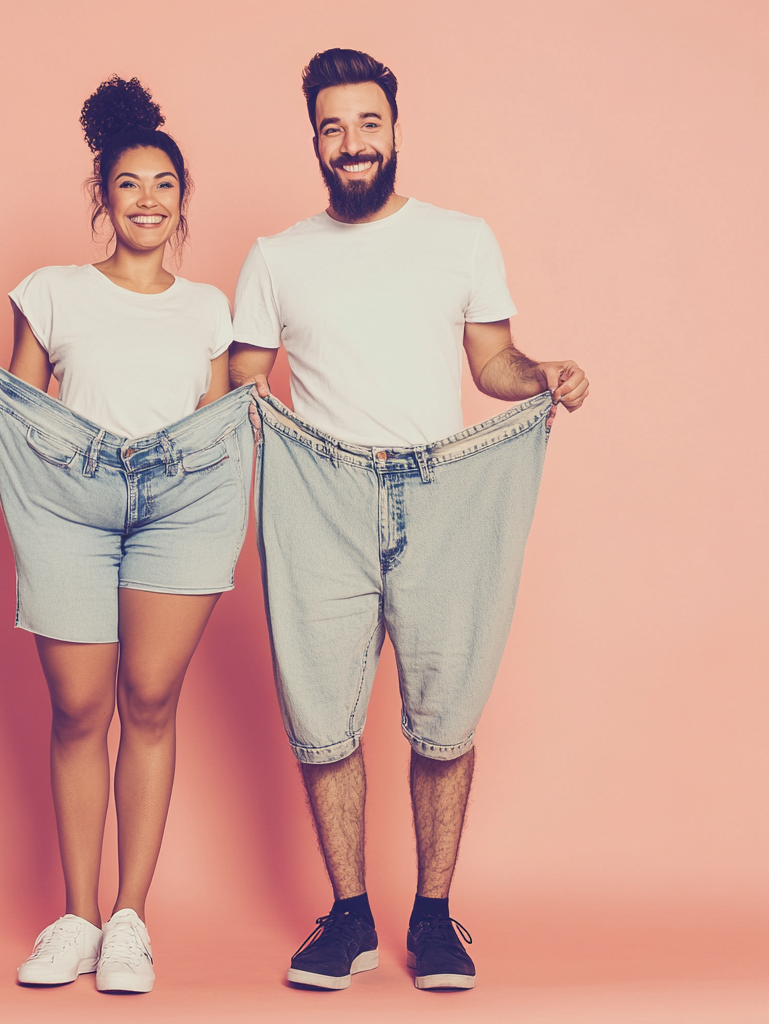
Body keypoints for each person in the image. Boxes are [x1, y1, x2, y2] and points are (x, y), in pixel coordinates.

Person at [229, 48, 590, 992]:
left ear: (395, 130)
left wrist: (543, 373)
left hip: (443, 491)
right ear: (314, 140)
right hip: (320, 491)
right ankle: (348, 917)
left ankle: (432, 919)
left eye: (368, 123)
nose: (351, 142)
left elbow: (493, 364)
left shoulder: (461, 238)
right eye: (333, 127)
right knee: (320, 711)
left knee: (446, 710)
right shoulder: (274, 257)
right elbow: (242, 386)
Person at [0, 76, 253, 994]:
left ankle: (129, 921)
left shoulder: (210, 309)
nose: (147, 200)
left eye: (163, 185)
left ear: (182, 200)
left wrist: (252, 412)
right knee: (80, 709)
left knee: (151, 701)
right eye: (127, 185)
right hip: (70, 502)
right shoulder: (53, 290)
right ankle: (75, 915)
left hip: (179, 504)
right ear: (102, 200)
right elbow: (29, 415)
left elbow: (217, 419)